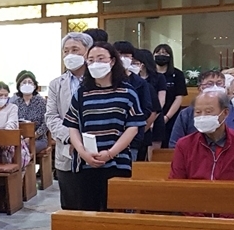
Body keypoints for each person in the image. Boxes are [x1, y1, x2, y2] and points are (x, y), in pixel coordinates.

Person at [63, 42, 146, 211]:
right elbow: (73, 126)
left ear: (112, 61)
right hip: (86, 163)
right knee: (88, 213)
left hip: (117, 162)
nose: (96, 64)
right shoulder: (81, 93)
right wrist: (83, 153)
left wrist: (110, 153)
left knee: (115, 214)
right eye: (91, 60)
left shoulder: (127, 92)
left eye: (101, 59)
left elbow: (132, 128)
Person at [46, 32, 92, 210]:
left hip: (95, 149)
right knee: (70, 204)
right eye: (66, 51)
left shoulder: (98, 80)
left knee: (93, 204)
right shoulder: (56, 84)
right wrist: (71, 138)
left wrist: (85, 140)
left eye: (75, 49)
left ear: (87, 51)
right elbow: (51, 116)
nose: (70, 55)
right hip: (67, 150)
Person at [169, 91, 234, 181]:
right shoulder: (184, 145)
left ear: (225, 113)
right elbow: (176, 183)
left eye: (208, 112)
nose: (202, 116)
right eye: (198, 112)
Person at [113, 42, 155, 161]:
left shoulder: (140, 83)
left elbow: (146, 109)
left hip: (132, 140)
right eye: (119, 55)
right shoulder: (107, 80)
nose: (122, 58)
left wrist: (131, 121)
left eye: (126, 55)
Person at [168, 69, 226, 146]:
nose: (215, 87)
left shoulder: (232, 110)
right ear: (200, 88)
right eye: (210, 84)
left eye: (219, 84)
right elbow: (174, 144)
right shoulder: (186, 114)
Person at [0, 81, 30, 167]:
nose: (3, 98)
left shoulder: (12, 108)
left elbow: (11, 125)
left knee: (13, 151)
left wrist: (4, 139)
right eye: (0, 95)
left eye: (6, 95)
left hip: (10, 143)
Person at [131, 48, 166, 158]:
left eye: (135, 62)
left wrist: (149, 123)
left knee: (152, 155)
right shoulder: (131, 80)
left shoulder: (156, 79)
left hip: (153, 117)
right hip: (138, 122)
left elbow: (159, 102)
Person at [153, 44, 187, 148]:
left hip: (171, 116)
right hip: (152, 116)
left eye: (164, 53)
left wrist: (167, 117)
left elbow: (179, 97)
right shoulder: (151, 74)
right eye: (158, 53)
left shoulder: (177, 74)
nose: (161, 55)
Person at [13, 70, 48, 154]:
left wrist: (33, 136)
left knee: (23, 149)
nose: (27, 84)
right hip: (19, 139)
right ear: (19, 86)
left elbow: (46, 123)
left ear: (35, 86)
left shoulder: (41, 102)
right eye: (24, 82)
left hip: (38, 139)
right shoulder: (15, 104)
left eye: (30, 82)